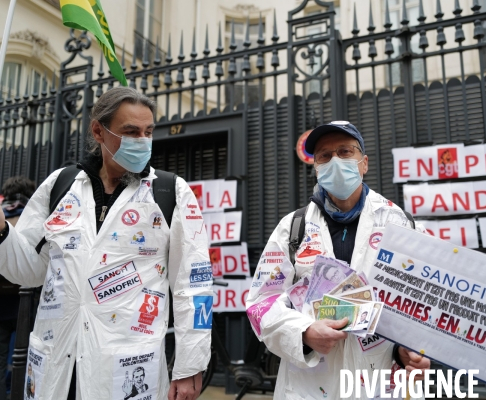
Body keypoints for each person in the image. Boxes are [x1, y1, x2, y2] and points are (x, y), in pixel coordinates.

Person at [0, 87, 212, 400]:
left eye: (148, 131)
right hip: (58, 367)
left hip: (126, 373)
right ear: (99, 130)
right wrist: (3, 231)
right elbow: (28, 272)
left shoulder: (171, 193)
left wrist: (190, 366)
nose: (141, 140)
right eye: (130, 131)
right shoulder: (60, 185)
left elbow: (193, 286)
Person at [246, 121, 430, 399]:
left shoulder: (401, 224)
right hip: (309, 385)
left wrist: (410, 352)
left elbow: (420, 302)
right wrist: (304, 332)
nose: (335, 161)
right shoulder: (293, 227)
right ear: (317, 168)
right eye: (324, 155)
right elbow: (262, 301)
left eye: (345, 152)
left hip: (380, 380)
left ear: (364, 163)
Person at [0, 176, 35, 400]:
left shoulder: (3, 215)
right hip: (27, 303)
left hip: (2, 304)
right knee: (26, 364)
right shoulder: (32, 215)